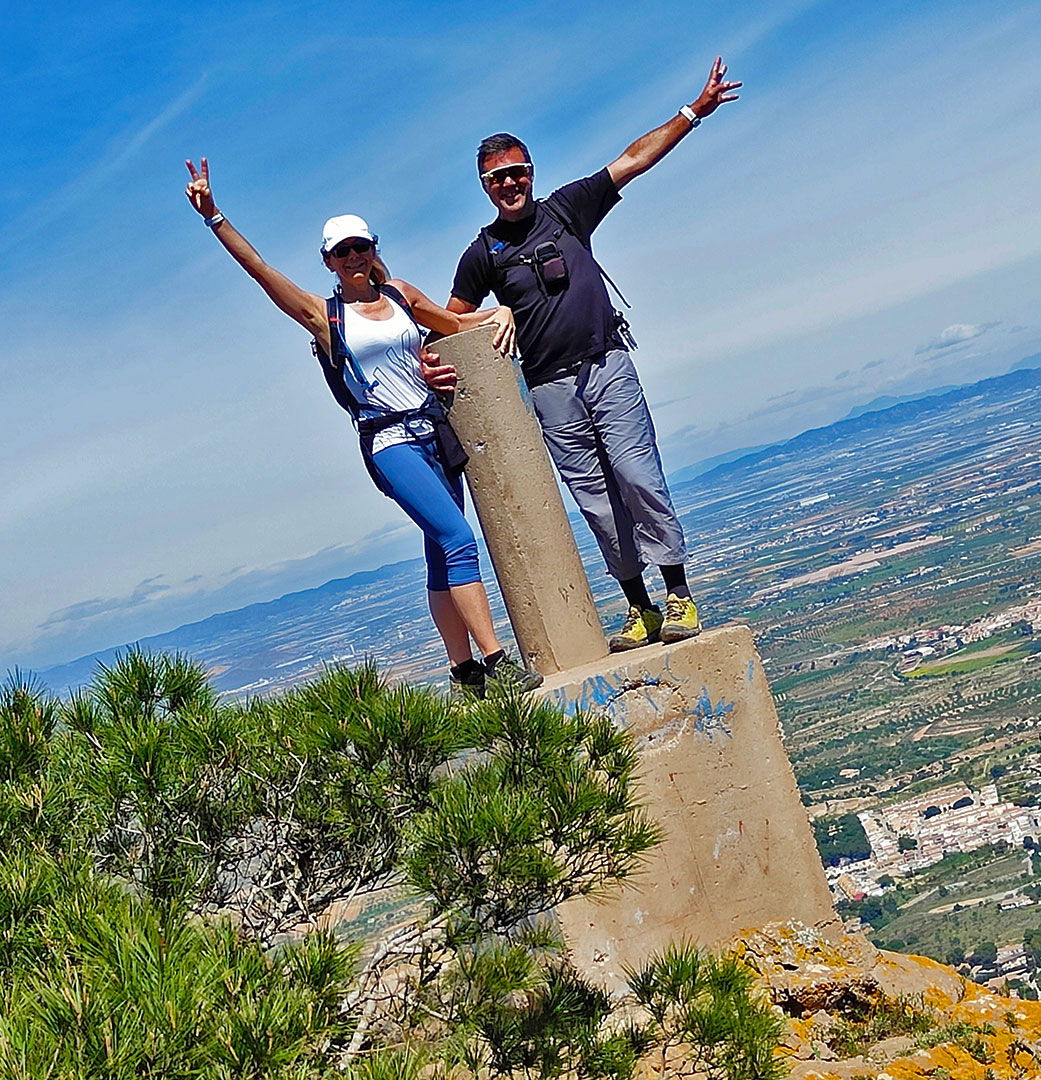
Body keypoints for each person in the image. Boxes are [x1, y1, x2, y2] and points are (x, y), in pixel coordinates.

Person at [183, 158, 540, 696]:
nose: (353, 257)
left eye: (360, 247)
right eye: (341, 251)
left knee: (439, 550)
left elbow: (455, 323)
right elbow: (261, 271)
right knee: (458, 538)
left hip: (435, 433)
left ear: (373, 248)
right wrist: (215, 217)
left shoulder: (399, 295)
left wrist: (500, 313)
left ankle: (462, 669)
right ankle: (495, 662)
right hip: (389, 440)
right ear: (328, 261)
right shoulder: (323, 315)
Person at [443, 57, 742, 653]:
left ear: (531, 173)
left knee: (639, 478)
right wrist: (491, 313)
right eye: (497, 178)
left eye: (517, 172)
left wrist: (693, 112)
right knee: (599, 503)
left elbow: (632, 161)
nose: (509, 183)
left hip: (606, 364)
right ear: (484, 187)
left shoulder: (567, 209)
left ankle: (678, 593)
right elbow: (447, 318)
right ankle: (640, 609)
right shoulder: (483, 253)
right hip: (549, 389)